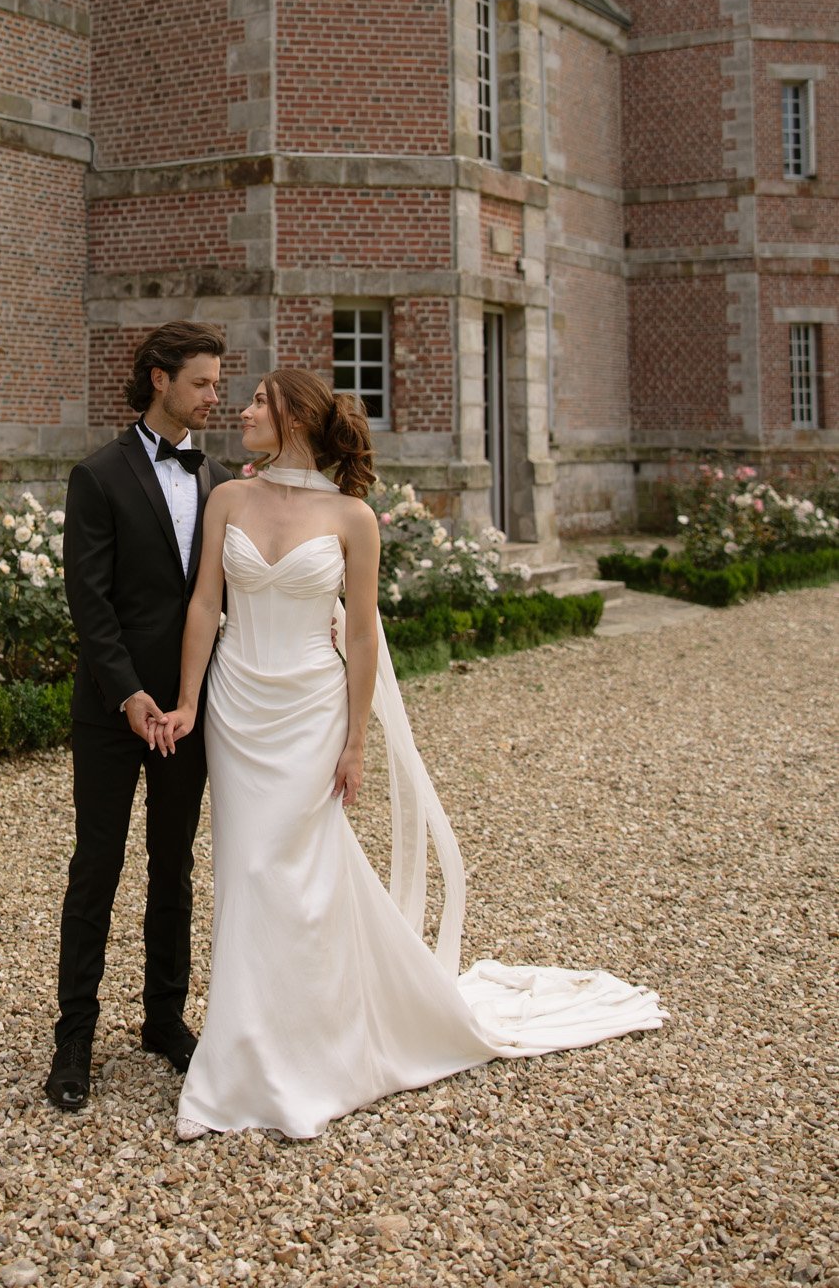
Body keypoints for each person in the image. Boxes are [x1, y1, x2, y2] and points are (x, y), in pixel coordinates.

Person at [157, 368, 665, 1140]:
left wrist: (357, 739)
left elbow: (360, 634)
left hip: (311, 709)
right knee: (247, 869)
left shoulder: (353, 517)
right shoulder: (227, 497)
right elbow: (204, 604)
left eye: (259, 400)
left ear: (294, 416)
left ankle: (308, 1048)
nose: (243, 410)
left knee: (294, 869)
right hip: (237, 706)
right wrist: (189, 699)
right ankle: (250, 1049)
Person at [45, 320, 232, 1113]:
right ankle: (74, 1040)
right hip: (111, 709)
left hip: (190, 710)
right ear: (157, 378)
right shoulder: (97, 475)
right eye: (201, 382)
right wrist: (129, 696)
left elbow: (218, 597)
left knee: (174, 868)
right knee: (96, 867)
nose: (213, 396)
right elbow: (88, 604)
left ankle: (164, 1019)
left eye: (219, 384)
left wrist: (187, 700)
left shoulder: (220, 479)